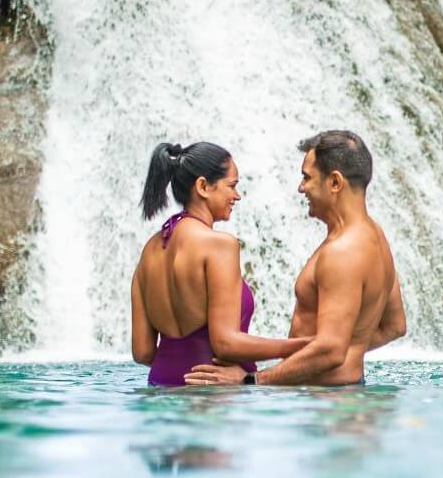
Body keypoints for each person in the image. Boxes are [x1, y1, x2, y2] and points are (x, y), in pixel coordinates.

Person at [186, 130, 405, 386]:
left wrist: (251, 380)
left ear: (335, 182)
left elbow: (331, 350)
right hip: (347, 394)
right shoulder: (375, 237)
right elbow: (395, 325)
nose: (301, 188)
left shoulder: (342, 252)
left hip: (326, 404)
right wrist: (349, 347)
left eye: (307, 177)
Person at [131, 141, 310, 386]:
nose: (236, 196)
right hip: (212, 394)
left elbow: (143, 352)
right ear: (203, 186)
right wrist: (304, 347)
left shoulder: (149, 251)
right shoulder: (219, 245)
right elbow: (225, 344)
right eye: (232, 186)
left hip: (160, 386)